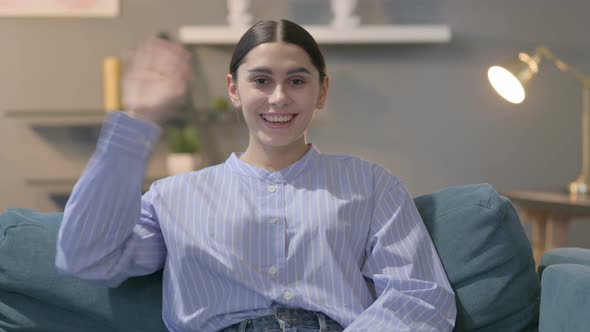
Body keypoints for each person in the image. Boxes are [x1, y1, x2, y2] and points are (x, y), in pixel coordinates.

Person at [56, 19, 456, 332]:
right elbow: (87, 258)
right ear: (233, 88)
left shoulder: (370, 183)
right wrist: (140, 118)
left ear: (322, 91)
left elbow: (420, 296)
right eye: (261, 80)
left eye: (297, 81)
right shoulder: (172, 197)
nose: (279, 97)